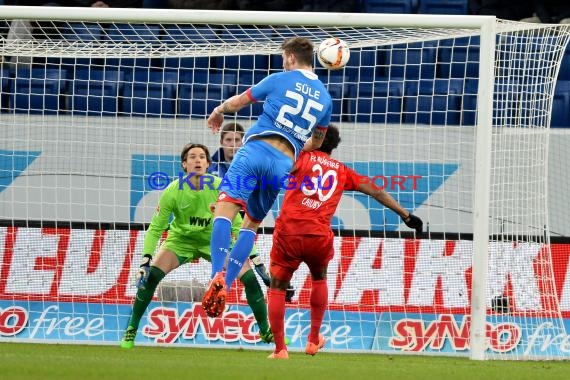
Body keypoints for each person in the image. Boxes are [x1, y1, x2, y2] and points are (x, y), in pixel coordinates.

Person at [201, 36, 333, 319]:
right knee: (251, 224)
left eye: (283, 57)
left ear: (290, 57)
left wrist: (218, 111)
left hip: (255, 151)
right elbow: (317, 142)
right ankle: (229, 281)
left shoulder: (279, 79)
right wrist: (295, 142)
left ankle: (215, 276)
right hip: (282, 165)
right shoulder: (325, 98)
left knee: (224, 212)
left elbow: (238, 102)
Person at [266, 125, 423, 359]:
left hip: (289, 231)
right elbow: (376, 192)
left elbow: (274, 167)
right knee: (319, 279)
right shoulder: (342, 170)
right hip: (318, 236)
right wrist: (405, 215)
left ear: (314, 139)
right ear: (335, 145)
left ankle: (280, 349)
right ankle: (312, 340)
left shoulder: (302, 157)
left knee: (277, 288)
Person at [120, 143, 274, 348]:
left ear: (208, 164)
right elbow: (156, 228)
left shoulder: (221, 187)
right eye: (192, 157)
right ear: (184, 164)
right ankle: (131, 329)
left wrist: (257, 261)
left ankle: (266, 332)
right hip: (180, 240)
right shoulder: (173, 191)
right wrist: (145, 260)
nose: (197, 160)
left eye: (202, 157)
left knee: (250, 279)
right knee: (151, 277)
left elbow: (238, 227)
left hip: (215, 242)